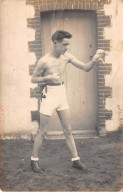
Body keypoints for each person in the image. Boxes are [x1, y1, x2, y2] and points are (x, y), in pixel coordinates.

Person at [30, 30, 105, 173]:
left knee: (68, 130)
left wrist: (94, 59)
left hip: (61, 94)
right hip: (49, 95)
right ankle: (34, 161)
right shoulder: (44, 61)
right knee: (43, 130)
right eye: (64, 44)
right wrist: (47, 78)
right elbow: (33, 79)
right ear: (55, 43)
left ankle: (75, 160)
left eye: (67, 45)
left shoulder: (67, 57)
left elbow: (85, 68)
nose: (66, 48)